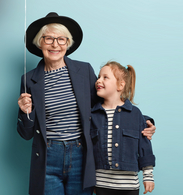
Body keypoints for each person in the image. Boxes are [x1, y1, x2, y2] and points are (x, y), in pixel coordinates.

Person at [17, 12, 156, 195]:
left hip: (81, 154)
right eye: (49, 38)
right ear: (39, 42)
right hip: (48, 155)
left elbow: (105, 106)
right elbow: (26, 134)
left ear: (68, 43)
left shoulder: (84, 70)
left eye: (61, 39)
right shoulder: (29, 79)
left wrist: (142, 121)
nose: (55, 44)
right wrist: (25, 112)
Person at [91, 61, 156, 195]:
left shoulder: (135, 114)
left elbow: (145, 147)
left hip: (129, 187)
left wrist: (148, 177)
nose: (98, 80)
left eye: (105, 77)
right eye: (98, 77)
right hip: (101, 185)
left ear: (120, 85)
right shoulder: (92, 114)